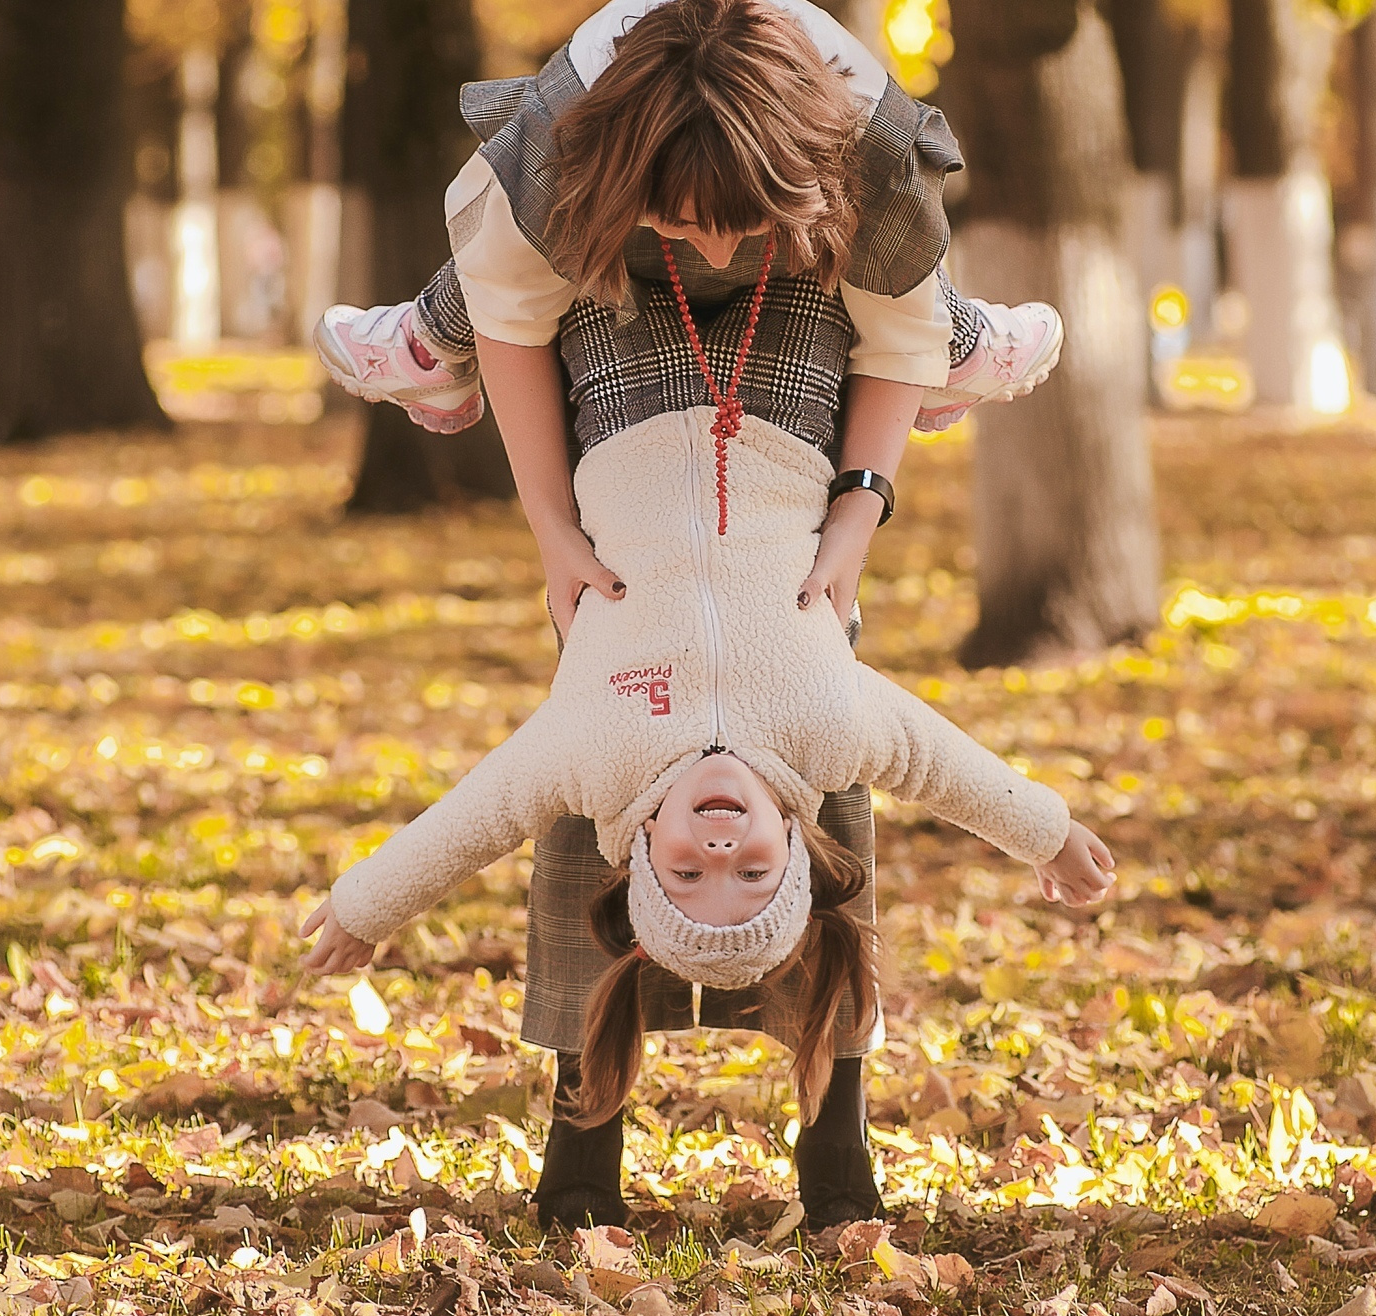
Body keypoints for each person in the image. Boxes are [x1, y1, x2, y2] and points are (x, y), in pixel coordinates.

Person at [301, 401, 1117, 1225]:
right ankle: (974, 343)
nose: (721, 843)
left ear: (646, 843)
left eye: (691, 872)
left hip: (627, 402)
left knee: (506, 292)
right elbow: (943, 763)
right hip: (780, 409)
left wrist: (365, 906)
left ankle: (430, 335)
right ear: (795, 838)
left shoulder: (595, 753)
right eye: (752, 869)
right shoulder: (829, 733)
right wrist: (1047, 833)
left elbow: (477, 815)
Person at [311, 0, 1063, 633]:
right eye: (683, 224)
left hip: (807, 259)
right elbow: (511, 315)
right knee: (491, 262)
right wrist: (553, 527)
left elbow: (895, 333)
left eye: (738, 229)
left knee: (916, 306)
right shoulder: (559, 145)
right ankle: (431, 340)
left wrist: (852, 522)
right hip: (611, 260)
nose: (713, 252)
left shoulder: (869, 148)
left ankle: (957, 341)